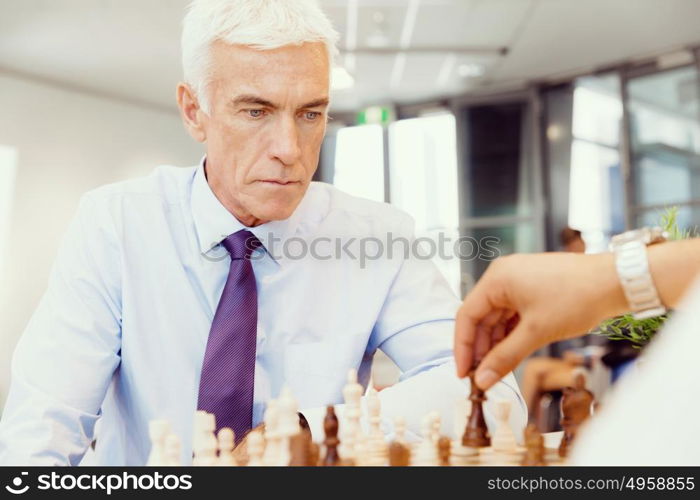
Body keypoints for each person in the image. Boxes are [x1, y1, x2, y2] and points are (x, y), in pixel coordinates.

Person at [0, 0, 525, 466]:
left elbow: (494, 393)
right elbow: (42, 424)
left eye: (310, 114)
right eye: (256, 111)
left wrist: (308, 429)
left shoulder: (379, 236)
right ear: (193, 111)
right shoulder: (114, 224)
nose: (290, 150)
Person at [454, 237, 700, 464]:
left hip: (602, 362)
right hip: (594, 357)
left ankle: (527, 422)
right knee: (536, 369)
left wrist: (612, 278)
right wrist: (614, 277)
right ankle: (527, 422)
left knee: (537, 370)